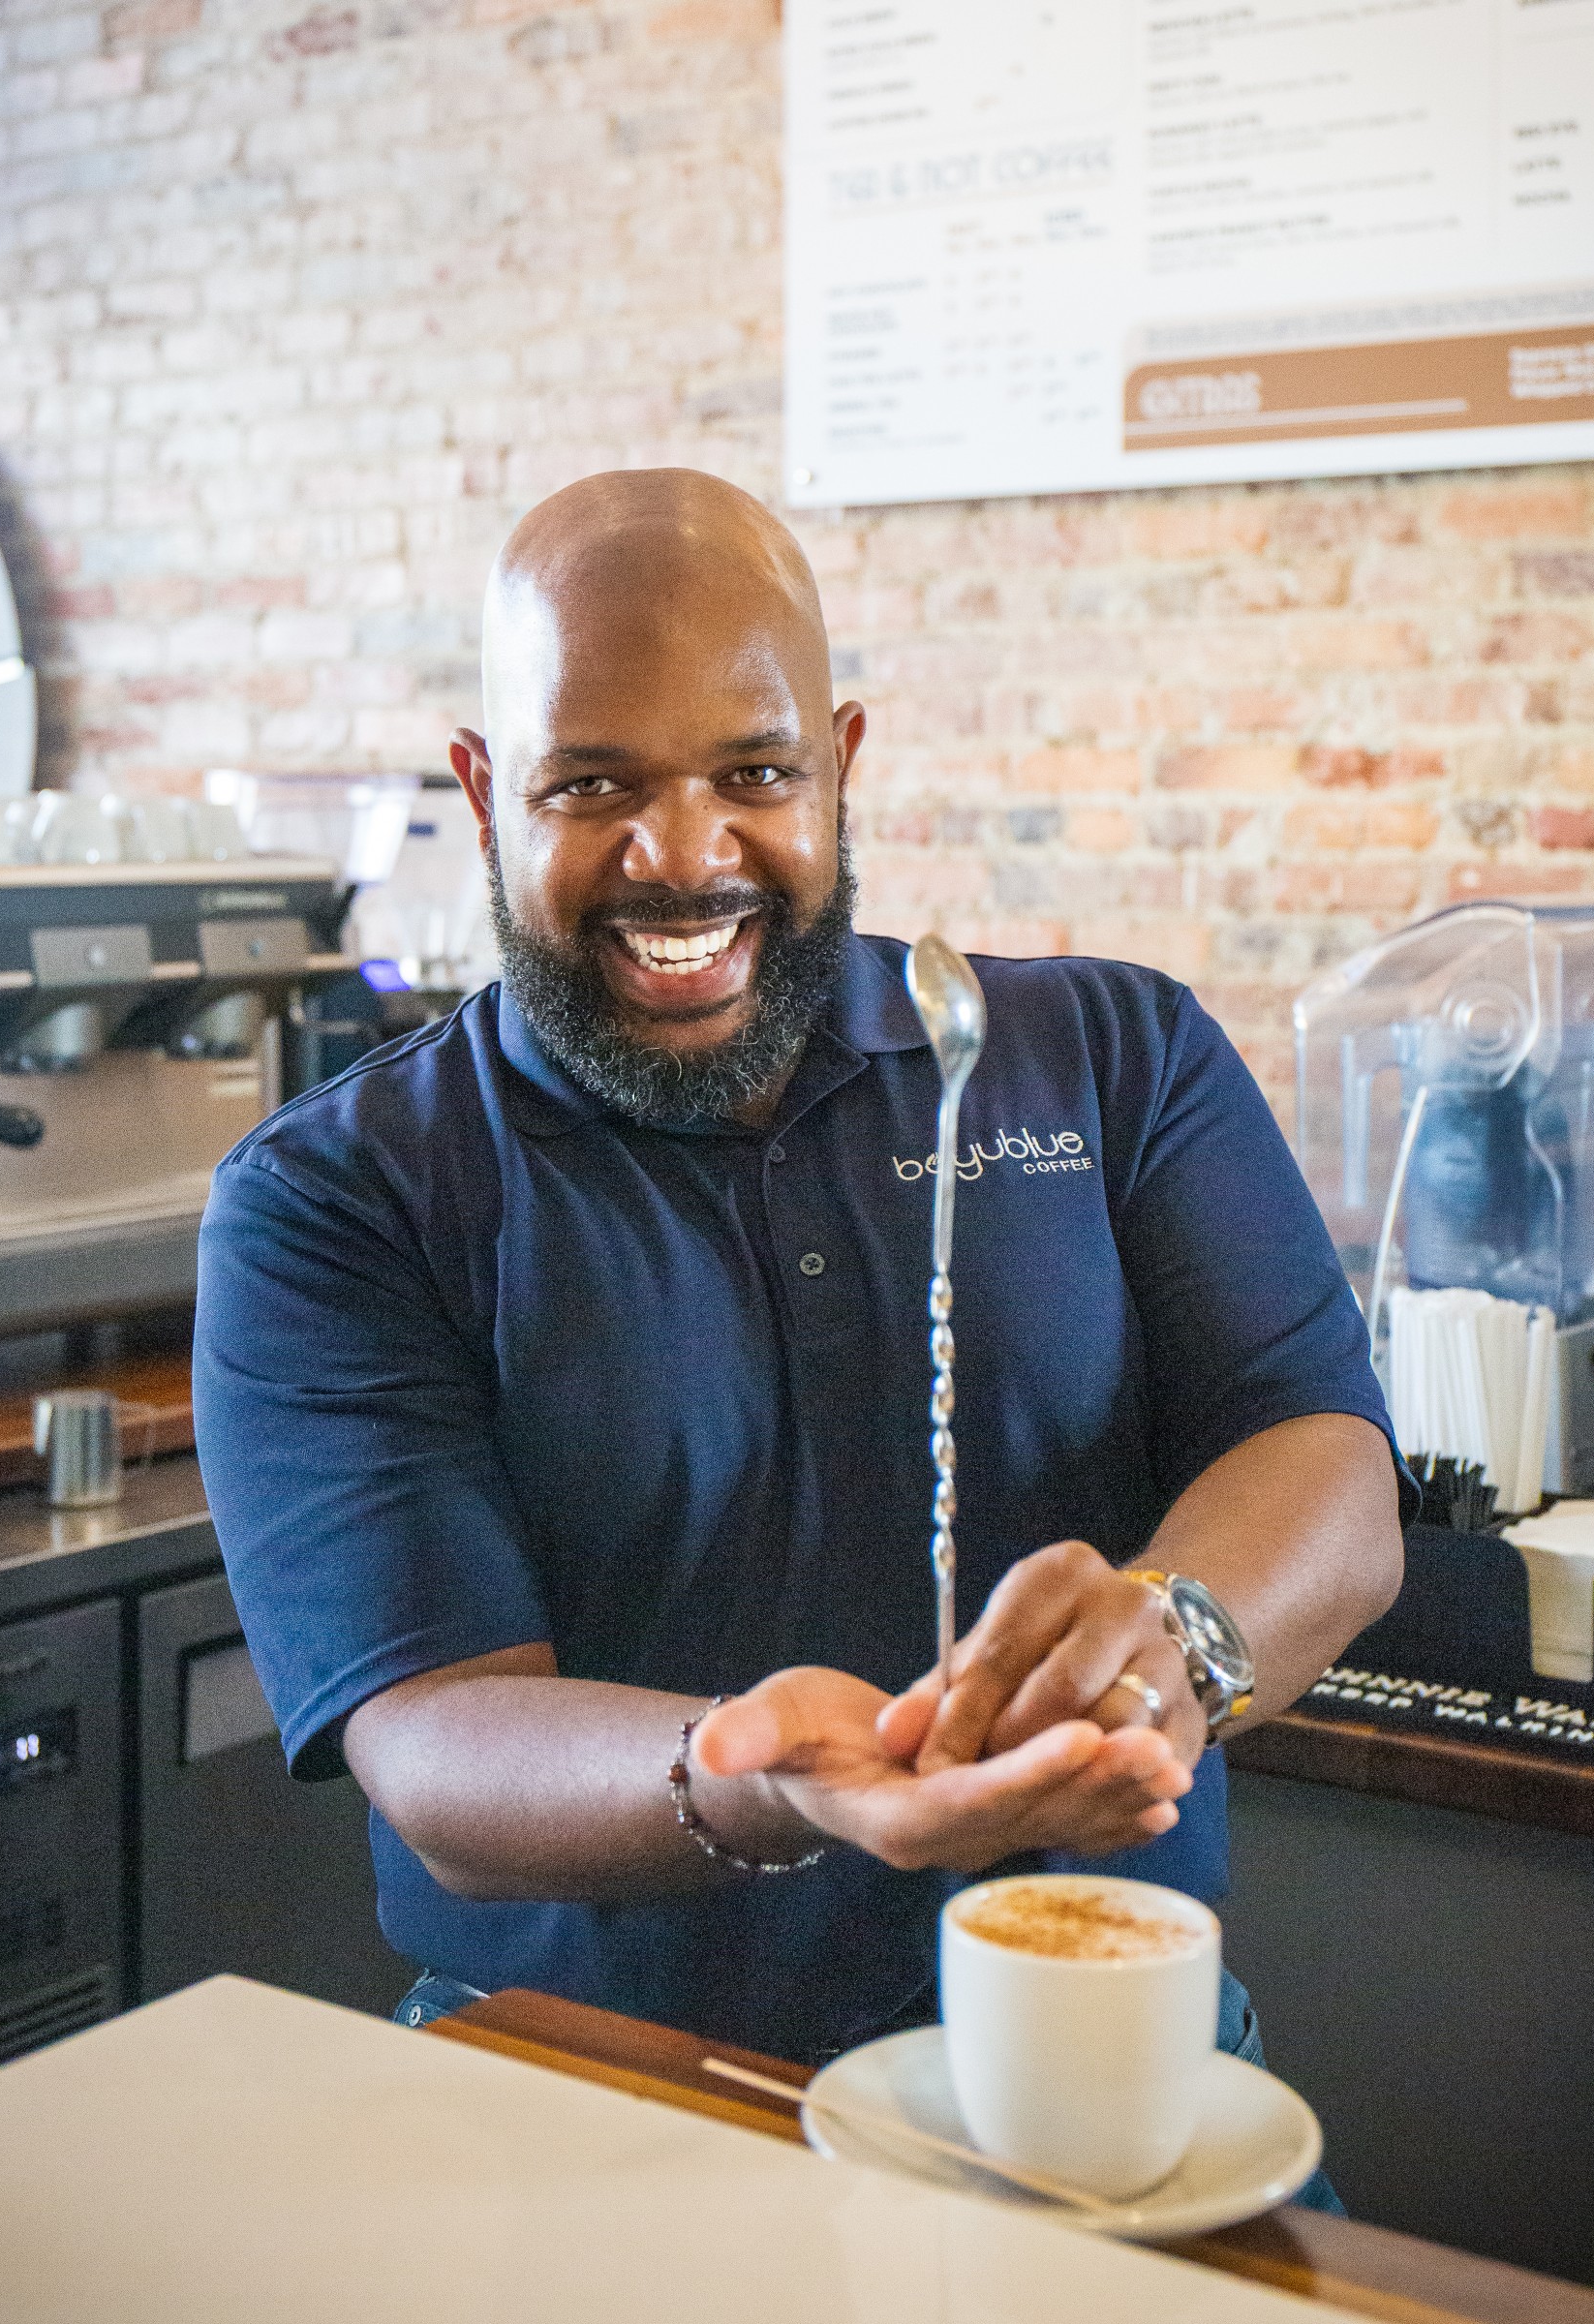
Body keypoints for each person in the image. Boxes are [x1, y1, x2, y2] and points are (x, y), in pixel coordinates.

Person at [193, 468, 1405, 2096]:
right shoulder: (338, 1197)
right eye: (591, 786)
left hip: (1102, 2050)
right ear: (484, 793)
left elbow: (1326, 1460)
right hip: (580, 2089)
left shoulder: (1114, 1058)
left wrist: (1183, 1636)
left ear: (839, 764)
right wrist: (760, 1778)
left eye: (754, 771)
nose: (683, 856)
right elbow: (432, 1741)